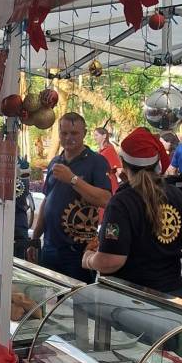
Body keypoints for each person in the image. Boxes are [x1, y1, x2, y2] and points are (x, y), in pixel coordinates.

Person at [83, 127, 182, 295]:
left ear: (123, 163)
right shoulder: (176, 195)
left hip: (134, 298)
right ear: (156, 162)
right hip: (173, 294)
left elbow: (111, 261)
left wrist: (88, 258)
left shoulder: (122, 202)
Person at [30, 113, 111, 282]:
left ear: (84, 133)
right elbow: (47, 200)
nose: (68, 138)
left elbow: (105, 199)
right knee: (48, 295)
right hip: (50, 247)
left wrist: (73, 179)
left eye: (74, 133)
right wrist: (35, 238)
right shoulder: (55, 162)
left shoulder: (97, 161)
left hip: (79, 251)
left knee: (78, 297)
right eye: (64, 133)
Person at [93, 127, 121, 194]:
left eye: (96, 135)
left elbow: (118, 169)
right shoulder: (100, 151)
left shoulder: (109, 150)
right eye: (94, 135)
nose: (94, 138)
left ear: (104, 136)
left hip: (110, 184)